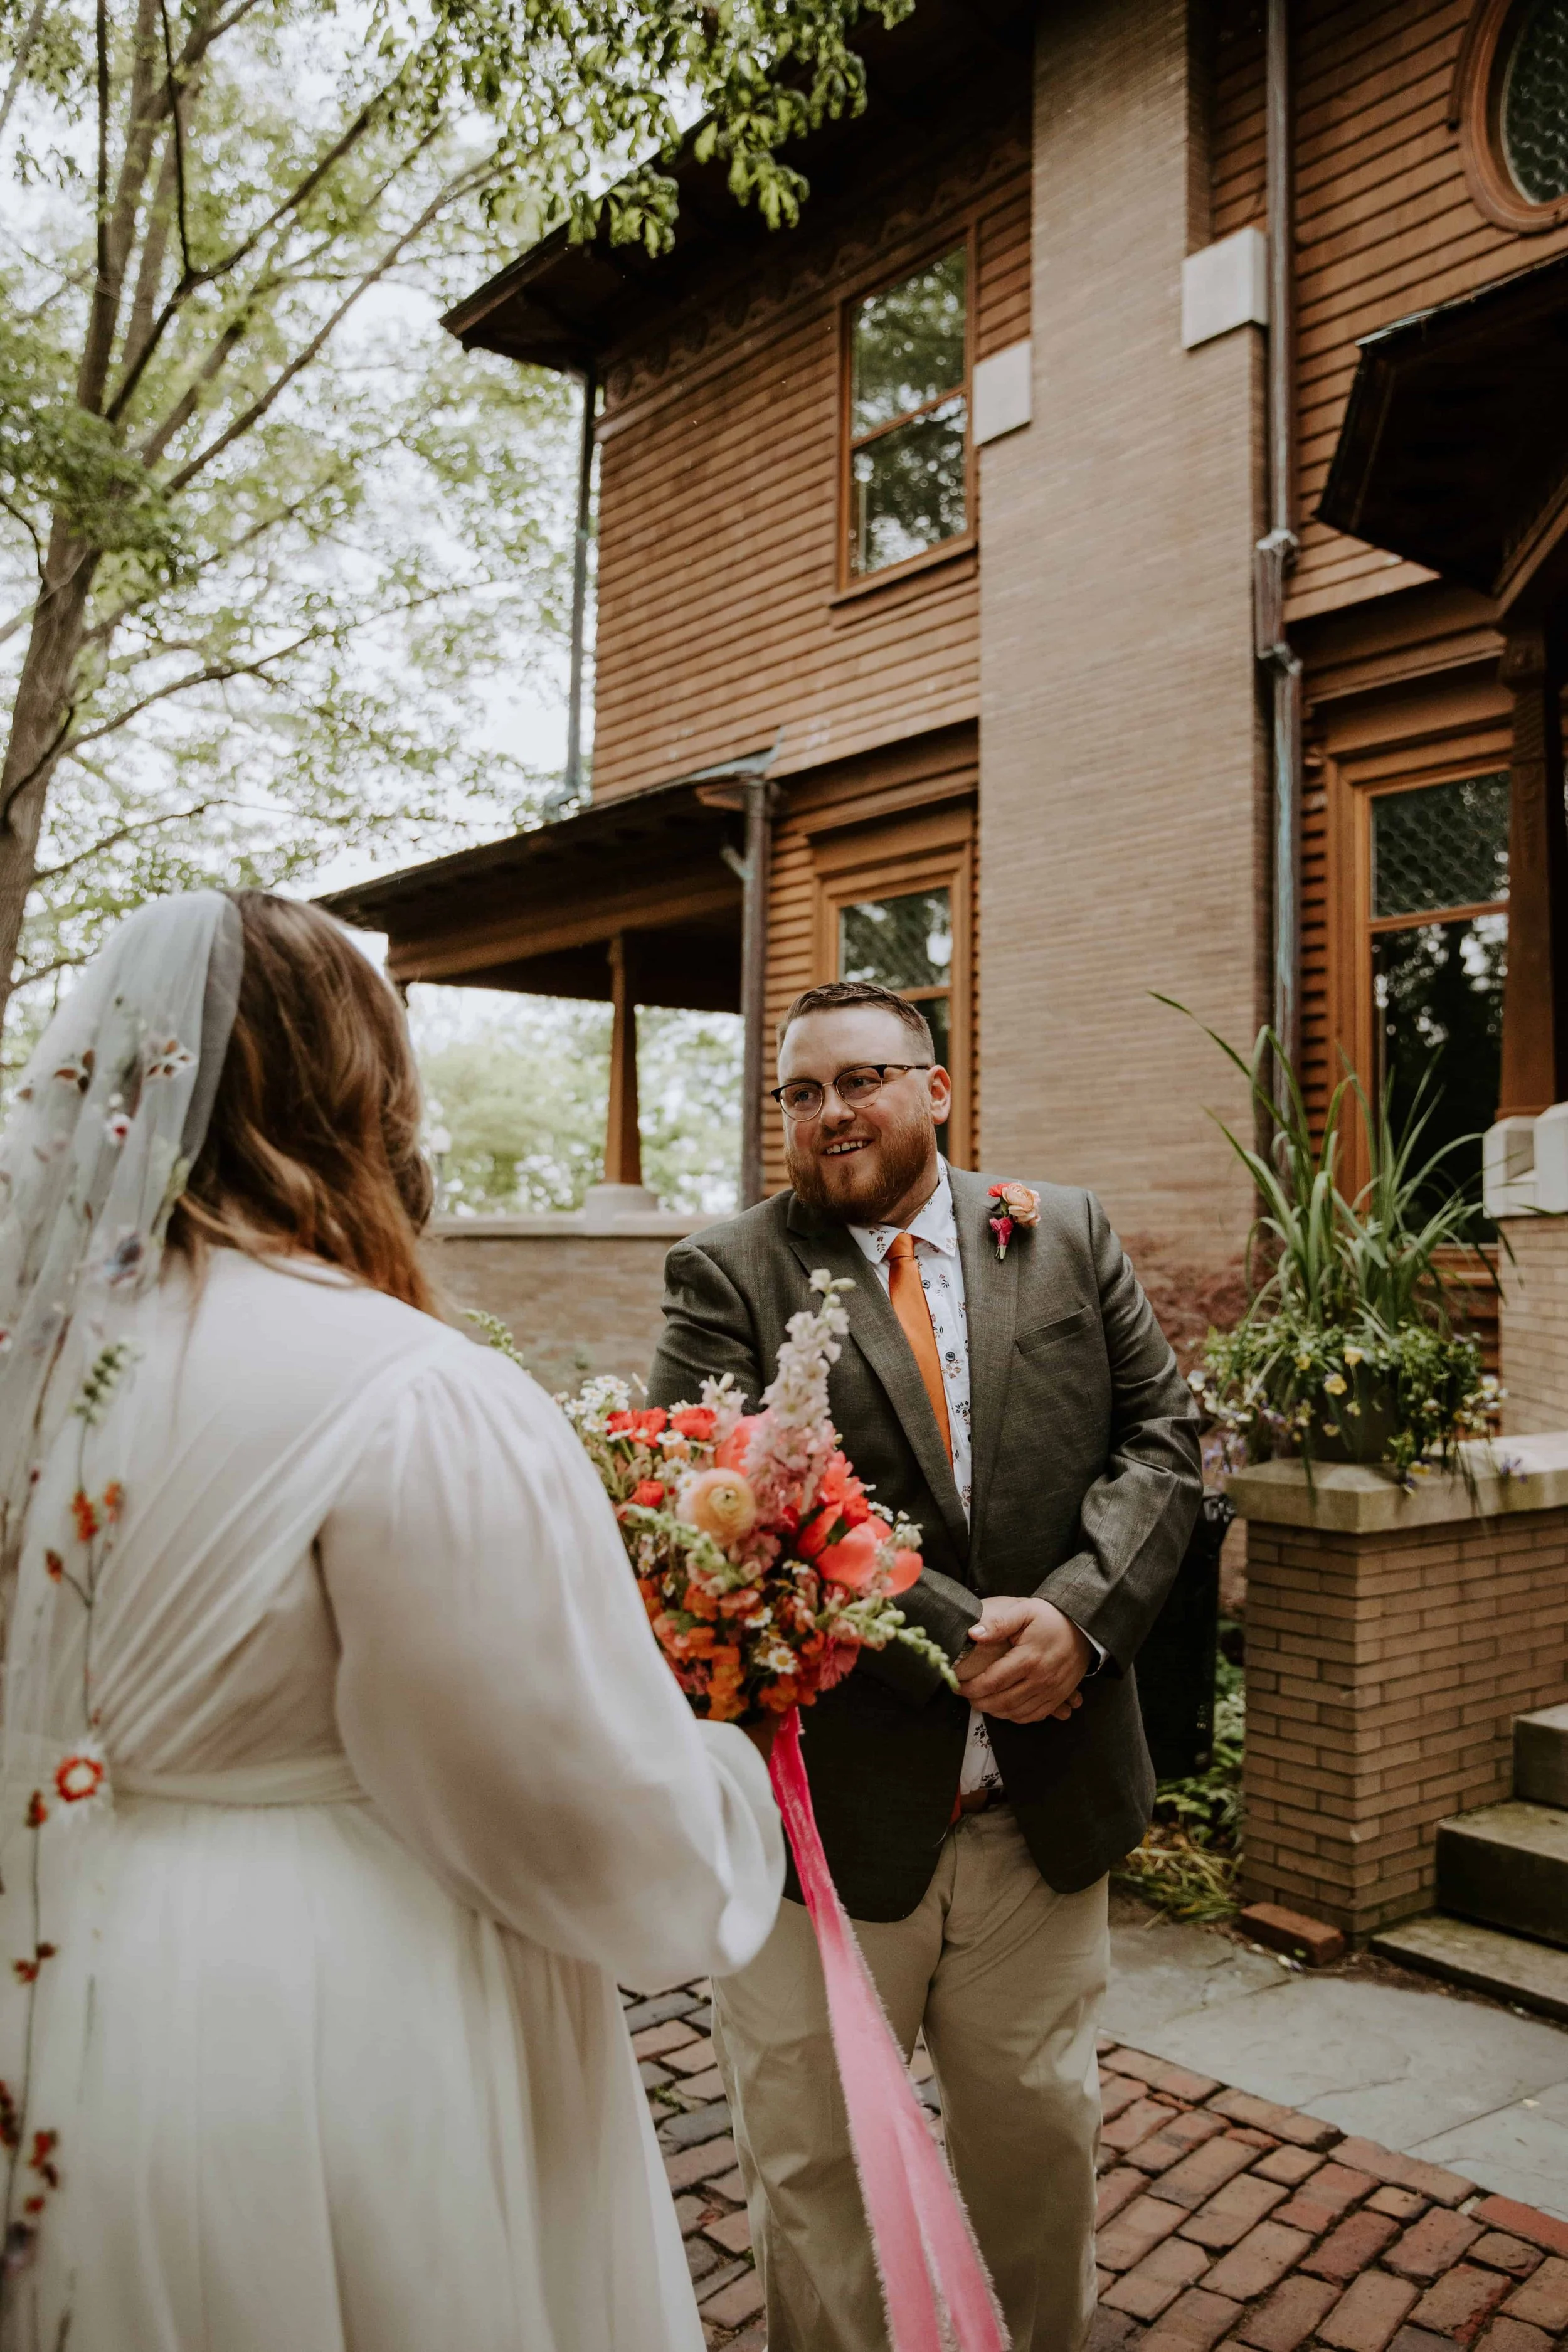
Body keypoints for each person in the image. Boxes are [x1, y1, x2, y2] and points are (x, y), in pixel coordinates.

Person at [0, 889, 783, 2352]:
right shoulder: (411, 1392)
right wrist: (730, 1798)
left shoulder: (24, 1365)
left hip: (42, 1995)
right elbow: (570, 1818)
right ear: (351, 1092)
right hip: (311, 2041)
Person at [647, 977, 1203, 2352]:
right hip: (821, 1834)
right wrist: (971, 1644)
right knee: (815, 2185)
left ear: (936, 1087)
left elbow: (1161, 1447)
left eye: (862, 1080)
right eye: (799, 1091)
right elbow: (716, 1517)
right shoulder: (726, 1272)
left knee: (1037, 2157)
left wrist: (1077, 1620)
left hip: (1039, 1814)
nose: (830, 1113)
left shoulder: (1062, 1231)